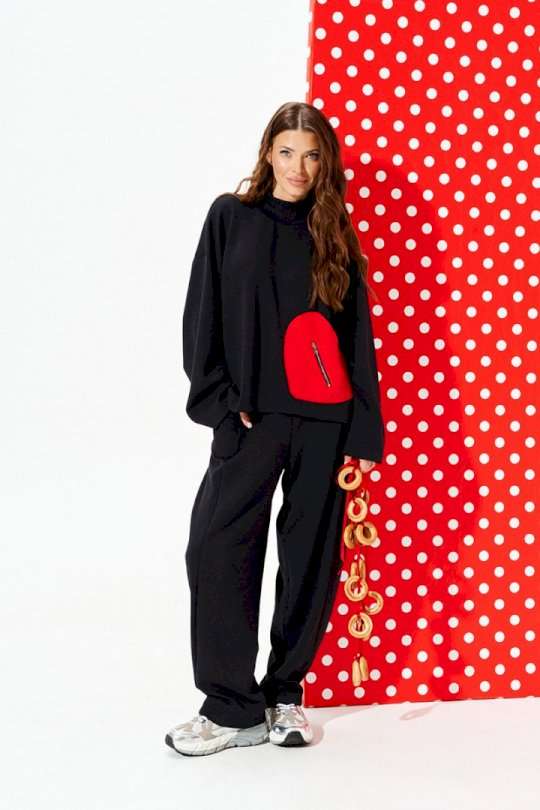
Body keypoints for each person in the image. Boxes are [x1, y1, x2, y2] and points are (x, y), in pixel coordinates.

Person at [165, 101, 385, 757]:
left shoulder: (334, 231)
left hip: (325, 421)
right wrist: (217, 401)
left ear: (326, 164)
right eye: (287, 152)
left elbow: (356, 339)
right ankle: (231, 709)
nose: (299, 167)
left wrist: (362, 436)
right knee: (217, 549)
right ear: (268, 153)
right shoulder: (230, 217)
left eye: (312, 156)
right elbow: (201, 313)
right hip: (250, 417)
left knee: (309, 558)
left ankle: (284, 693)